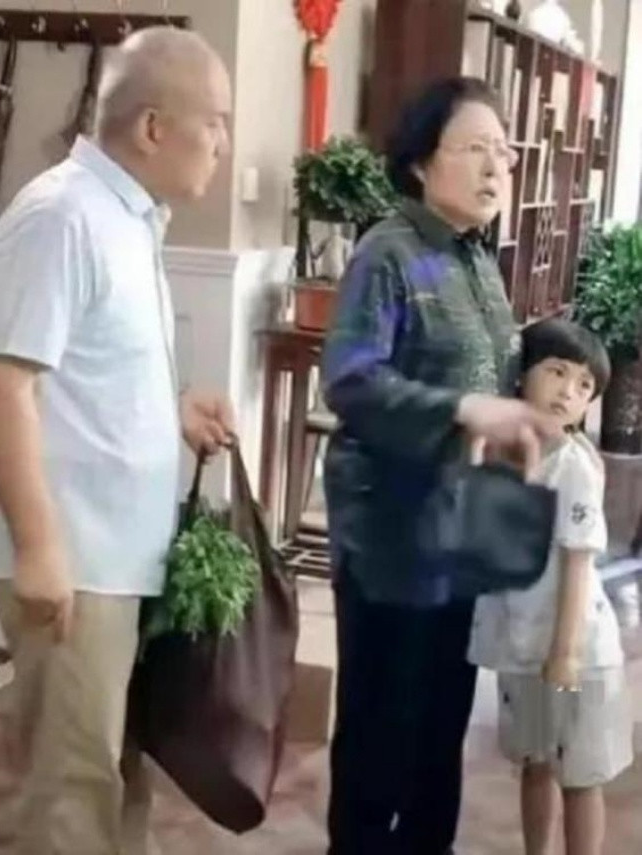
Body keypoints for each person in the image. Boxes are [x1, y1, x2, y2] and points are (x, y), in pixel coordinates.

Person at [0, 26, 233, 855]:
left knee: (114, 774)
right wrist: (39, 548)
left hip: (118, 560)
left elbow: (82, 372)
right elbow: (1, 383)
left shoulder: (128, 217)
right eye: (215, 122)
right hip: (75, 562)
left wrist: (174, 410)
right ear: (154, 127)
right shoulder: (62, 216)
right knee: (70, 793)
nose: (224, 144)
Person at [321, 76, 557, 855]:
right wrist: (461, 410)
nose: (496, 168)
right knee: (380, 740)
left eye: (504, 152)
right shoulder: (388, 252)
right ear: (422, 160)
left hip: (459, 535)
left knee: (439, 736)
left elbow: (488, 378)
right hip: (389, 539)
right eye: (476, 148)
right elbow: (351, 380)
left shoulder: (478, 258)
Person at [469, 319, 633, 855]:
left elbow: (579, 563)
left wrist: (565, 655)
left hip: (574, 656)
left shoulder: (573, 467)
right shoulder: (503, 454)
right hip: (524, 649)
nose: (568, 391)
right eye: (557, 372)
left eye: (585, 385)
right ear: (523, 374)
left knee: (580, 774)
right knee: (536, 762)